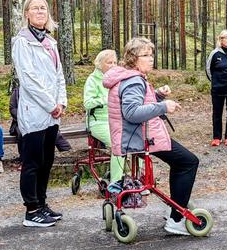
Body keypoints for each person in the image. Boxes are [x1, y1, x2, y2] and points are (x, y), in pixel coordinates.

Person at [105, 37, 199, 236]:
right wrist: (163, 106)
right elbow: (131, 112)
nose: (151, 58)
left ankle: (175, 208)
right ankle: (176, 220)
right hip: (141, 137)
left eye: (151, 54)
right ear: (133, 59)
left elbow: (139, 103)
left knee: (182, 162)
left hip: (139, 135)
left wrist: (158, 95)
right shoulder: (133, 80)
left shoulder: (129, 77)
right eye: (146, 55)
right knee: (188, 162)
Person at [12, 0, 67, 228]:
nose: (40, 12)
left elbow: (59, 75)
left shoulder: (50, 42)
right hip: (35, 110)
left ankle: (42, 204)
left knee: (46, 160)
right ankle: (31, 210)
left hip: (52, 113)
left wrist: (61, 102)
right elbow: (28, 79)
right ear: (27, 14)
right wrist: (50, 104)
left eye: (43, 8)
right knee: (32, 162)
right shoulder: (22, 42)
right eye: (35, 8)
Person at [83, 49, 125, 183]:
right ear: (99, 64)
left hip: (118, 120)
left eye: (114, 62)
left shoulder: (118, 79)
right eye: (109, 62)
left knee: (137, 143)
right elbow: (87, 103)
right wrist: (106, 99)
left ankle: (137, 178)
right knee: (118, 145)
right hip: (99, 122)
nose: (112, 65)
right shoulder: (92, 80)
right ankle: (116, 183)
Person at [205, 29, 227, 147]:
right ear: (221, 40)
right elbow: (208, 70)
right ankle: (217, 137)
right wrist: (215, 81)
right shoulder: (215, 53)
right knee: (217, 113)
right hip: (218, 89)